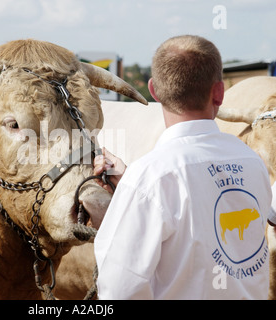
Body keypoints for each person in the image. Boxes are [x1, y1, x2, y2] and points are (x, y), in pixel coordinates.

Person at [93, 35, 272, 300]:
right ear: (220, 93)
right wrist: (134, 184)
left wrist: (133, 191)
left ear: (154, 91)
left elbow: (119, 289)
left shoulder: (150, 177)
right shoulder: (254, 163)